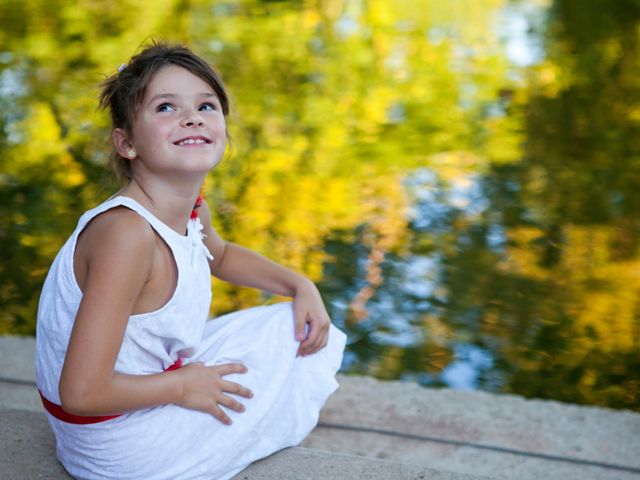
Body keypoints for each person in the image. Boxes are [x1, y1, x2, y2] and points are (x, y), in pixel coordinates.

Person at [35, 41, 346, 480]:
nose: (192, 117)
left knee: (292, 326)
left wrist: (300, 285)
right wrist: (184, 386)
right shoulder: (126, 235)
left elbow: (219, 255)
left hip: (133, 398)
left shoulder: (189, 206)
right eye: (166, 108)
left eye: (206, 105)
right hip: (117, 446)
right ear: (126, 144)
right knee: (294, 361)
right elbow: (81, 392)